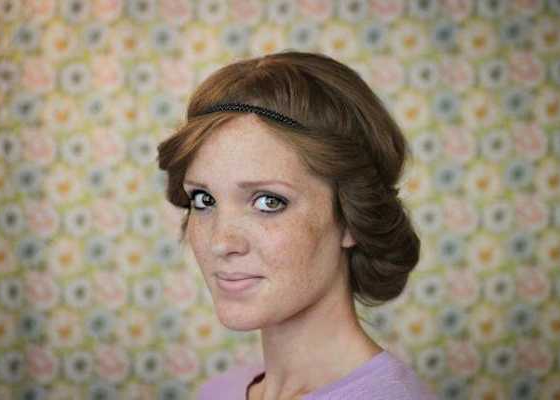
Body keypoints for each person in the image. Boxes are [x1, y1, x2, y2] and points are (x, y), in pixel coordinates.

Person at [157, 51, 436, 399]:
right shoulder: (219, 391)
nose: (220, 242)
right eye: (204, 200)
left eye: (268, 202)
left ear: (351, 218)